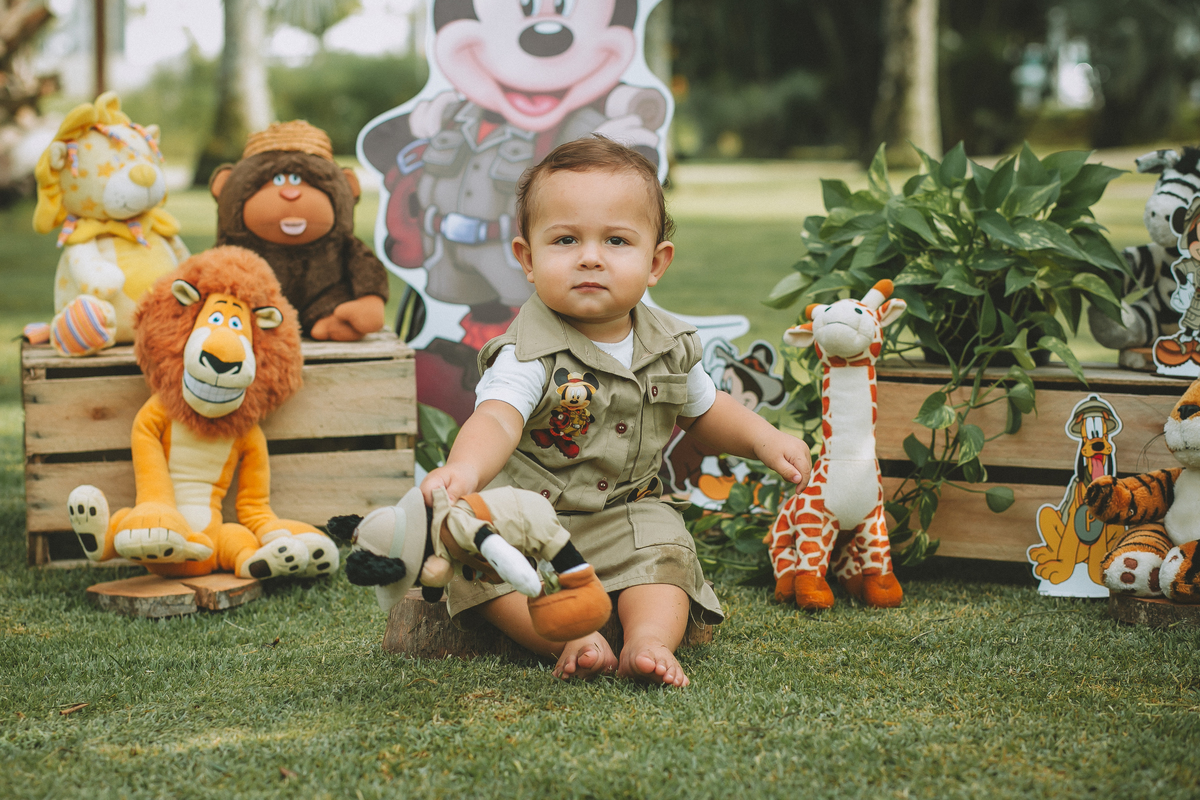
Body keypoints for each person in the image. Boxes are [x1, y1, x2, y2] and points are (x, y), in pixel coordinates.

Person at [420, 135, 812, 687]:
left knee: (666, 555)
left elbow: (706, 411)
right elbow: (499, 418)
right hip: (532, 520)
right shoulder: (527, 353)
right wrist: (465, 471)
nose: (590, 257)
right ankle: (572, 636)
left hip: (626, 514)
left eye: (616, 241)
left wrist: (765, 441)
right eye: (564, 239)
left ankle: (649, 639)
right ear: (527, 260)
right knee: (489, 569)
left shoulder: (668, 344)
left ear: (656, 263)